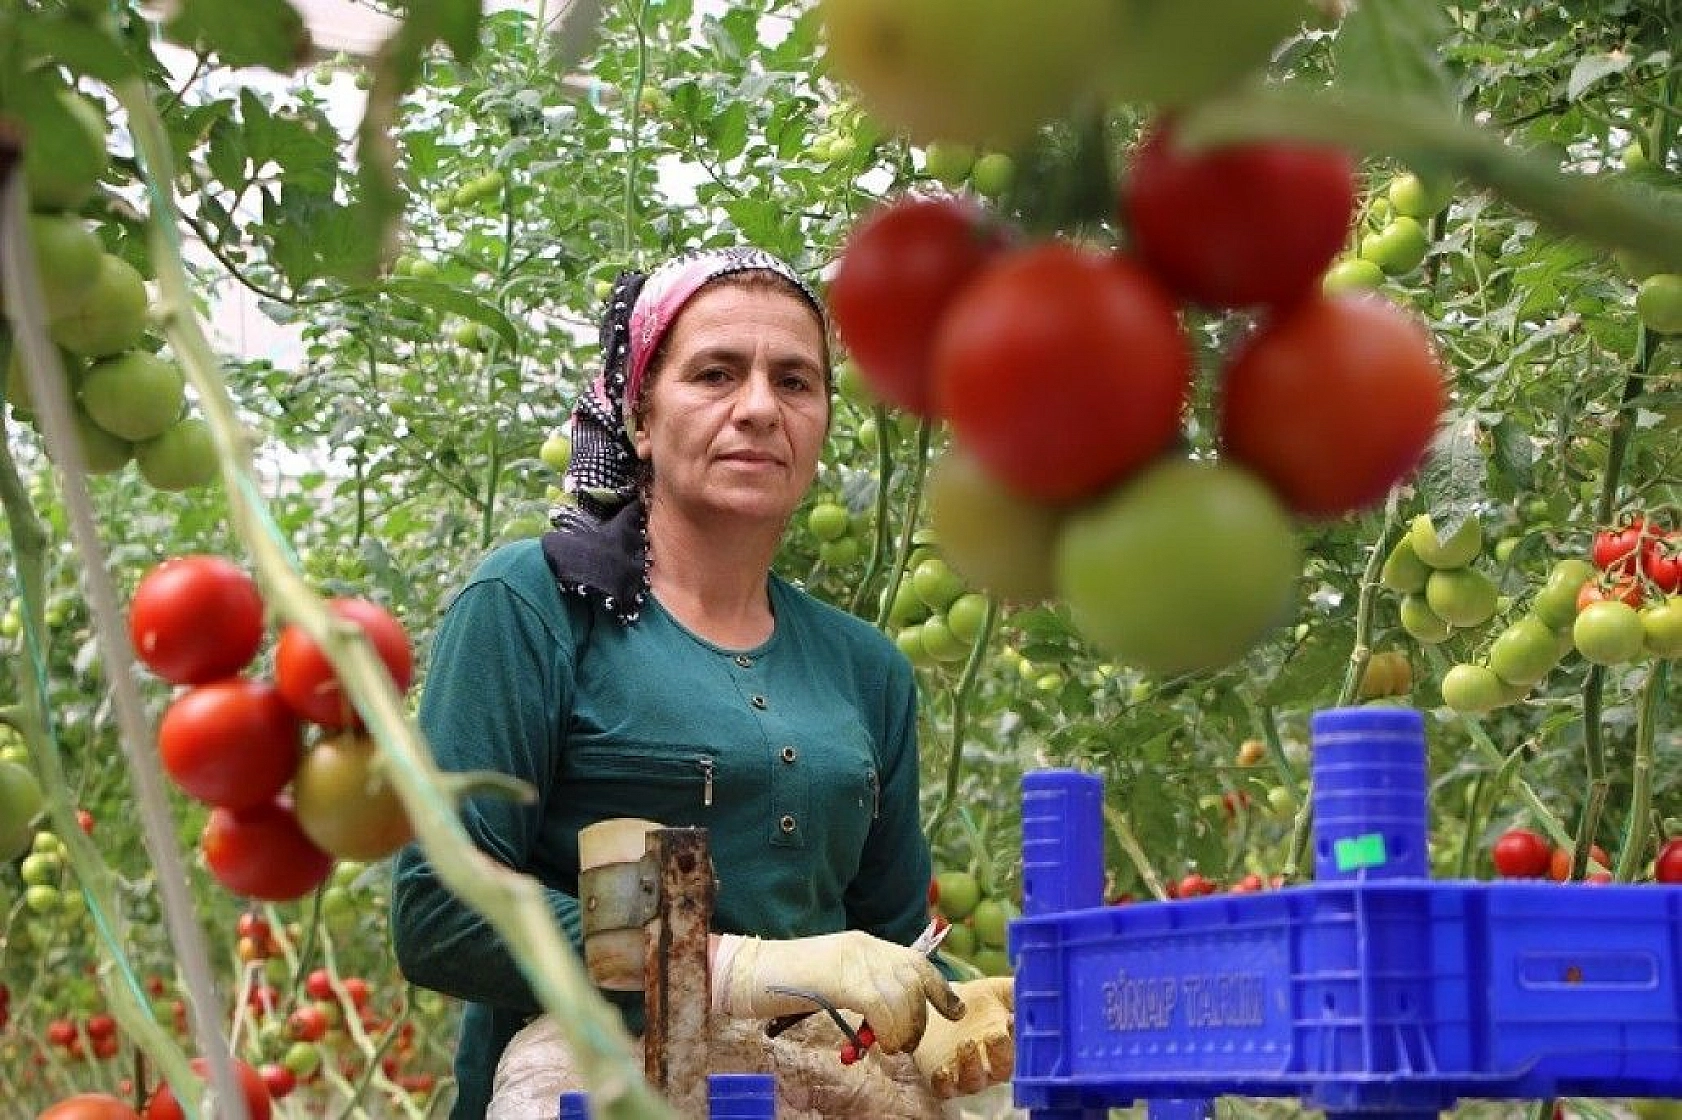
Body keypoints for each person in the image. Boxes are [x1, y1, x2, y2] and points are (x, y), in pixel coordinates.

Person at [389, 247, 1015, 1120]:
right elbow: (439, 910)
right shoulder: (534, 606)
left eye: (796, 382)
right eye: (716, 373)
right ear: (641, 417)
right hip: (597, 1084)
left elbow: (892, 934)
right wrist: (732, 967)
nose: (759, 408)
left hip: (830, 1087)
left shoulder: (865, 667)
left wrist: (946, 1002)